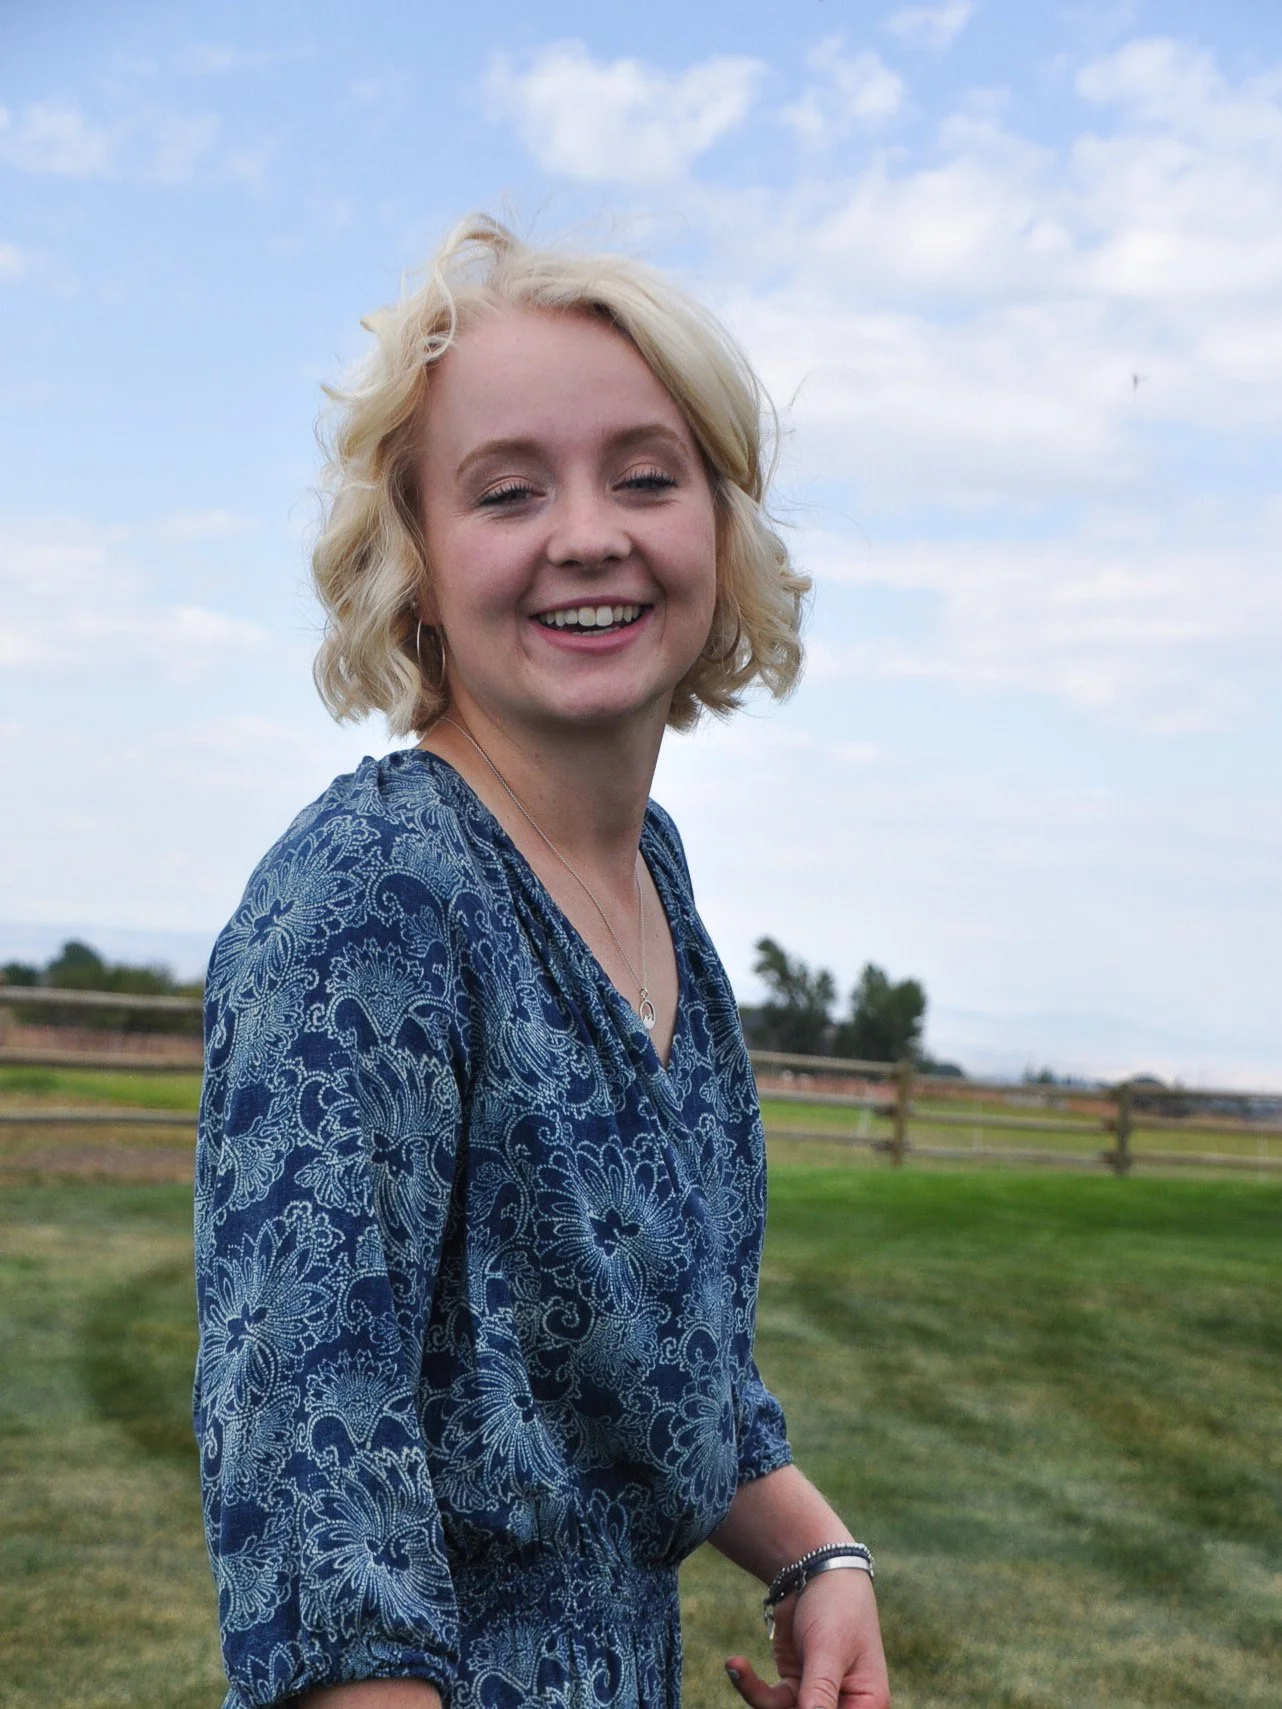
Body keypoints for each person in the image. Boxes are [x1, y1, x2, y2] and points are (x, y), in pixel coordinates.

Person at [194, 216, 891, 1709]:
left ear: (719, 527)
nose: (589, 532)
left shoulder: (653, 879)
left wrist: (815, 1557)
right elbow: (319, 1518)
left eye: (647, 476)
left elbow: (653, 1368)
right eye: (508, 491)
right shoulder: (369, 901)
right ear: (418, 569)